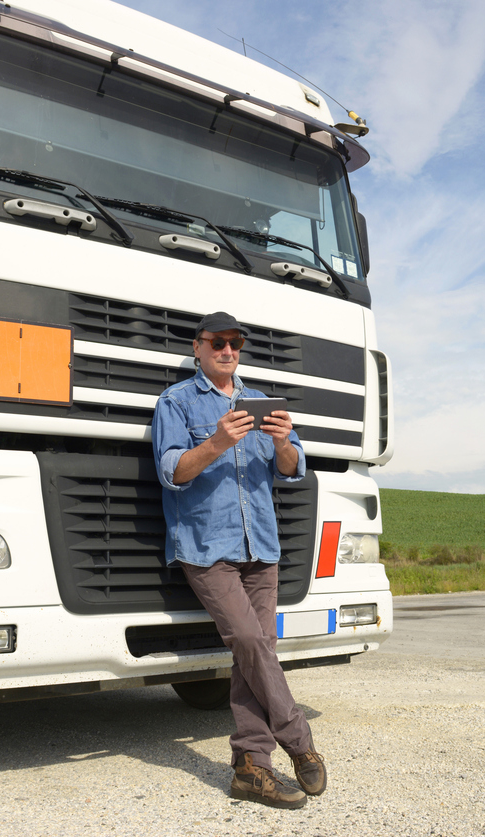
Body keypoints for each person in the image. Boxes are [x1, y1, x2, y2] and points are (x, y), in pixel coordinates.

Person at [151, 311, 327, 810]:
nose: (228, 350)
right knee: (250, 641)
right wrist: (216, 443)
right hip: (206, 545)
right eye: (218, 343)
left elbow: (292, 470)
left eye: (235, 343)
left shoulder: (259, 403)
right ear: (198, 348)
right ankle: (300, 742)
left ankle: (251, 768)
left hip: (261, 546)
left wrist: (280, 441)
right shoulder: (176, 402)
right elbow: (172, 473)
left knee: (256, 654)